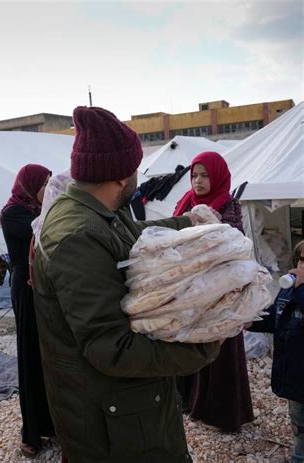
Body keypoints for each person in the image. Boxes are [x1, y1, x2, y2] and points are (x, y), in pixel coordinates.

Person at [32, 106, 221, 462]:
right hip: (113, 427)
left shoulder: (91, 210)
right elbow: (111, 348)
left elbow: (132, 234)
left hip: (126, 409)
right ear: (120, 176)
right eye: (136, 165)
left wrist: (188, 222)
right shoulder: (78, 236)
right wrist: (202, 346)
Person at [173, 150, 254, 432]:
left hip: (220, 291)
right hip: (192, 289)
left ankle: (224, 414)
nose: (198, 181)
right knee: (192, 344)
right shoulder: (185, 203)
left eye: (205, 175)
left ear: (217, 175)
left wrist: (207, 228)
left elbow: (234, 243)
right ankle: (194, 404)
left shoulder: (228, 206)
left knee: (221, 350)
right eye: (194, 175)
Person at [0, 164, 55, 458]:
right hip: (27, 289)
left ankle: (53, 424)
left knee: (50, 356)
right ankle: (31, 433)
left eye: (50, 181)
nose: (49, 187)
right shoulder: (14, 214)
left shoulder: (39, 210)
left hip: (44, 287)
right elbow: (45, 232)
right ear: (29, 184)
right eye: (44, 182)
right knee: (31, 358)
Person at [249, 241, 304, 463]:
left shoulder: (298, 289)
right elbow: (275, 316)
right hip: (294, 373)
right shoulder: (289, 288)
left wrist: (301, 289)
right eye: (302, 260)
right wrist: (250, 321)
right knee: (298, 419)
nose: (303, 266)